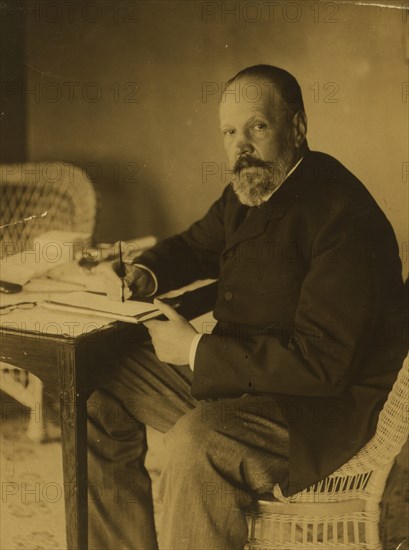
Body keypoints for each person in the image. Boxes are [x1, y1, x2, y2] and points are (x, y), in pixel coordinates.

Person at [87, 65, 407, 550]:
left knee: (200, 443)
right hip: (246, 379)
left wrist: (195, 350)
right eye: (229, 132)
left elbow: (323, 367)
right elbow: (195, 246)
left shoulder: (343, 216)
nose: (241, 146)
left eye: (257, 127)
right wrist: (144, 273)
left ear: (297, 128)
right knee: (97, 383)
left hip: (317, 411)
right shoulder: (250, 187)